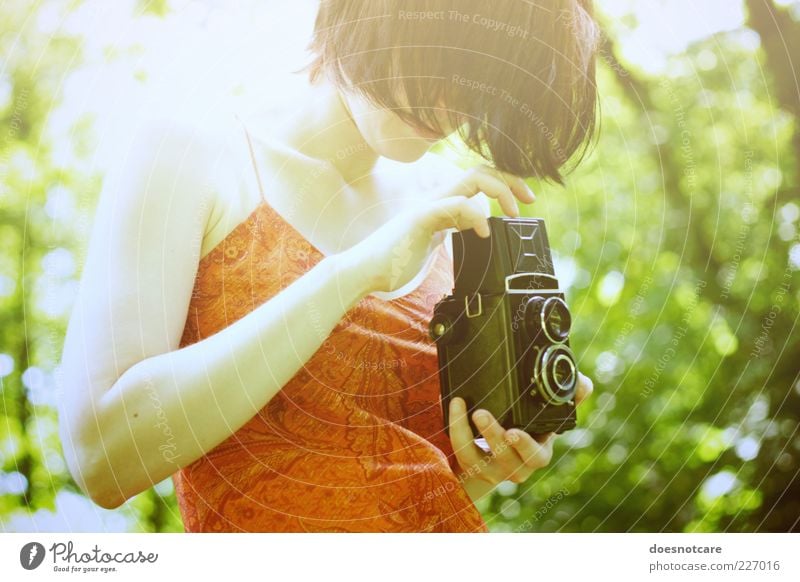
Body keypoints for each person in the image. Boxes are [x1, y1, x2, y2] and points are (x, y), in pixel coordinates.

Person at [58, 0, 600, 532]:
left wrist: (485, 465)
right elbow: (103, 459)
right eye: (448, 66)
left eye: (481, 85)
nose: (452, 107)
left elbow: (393, 494)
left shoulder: (455, 210)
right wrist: (351, 274)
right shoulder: (189, 158)